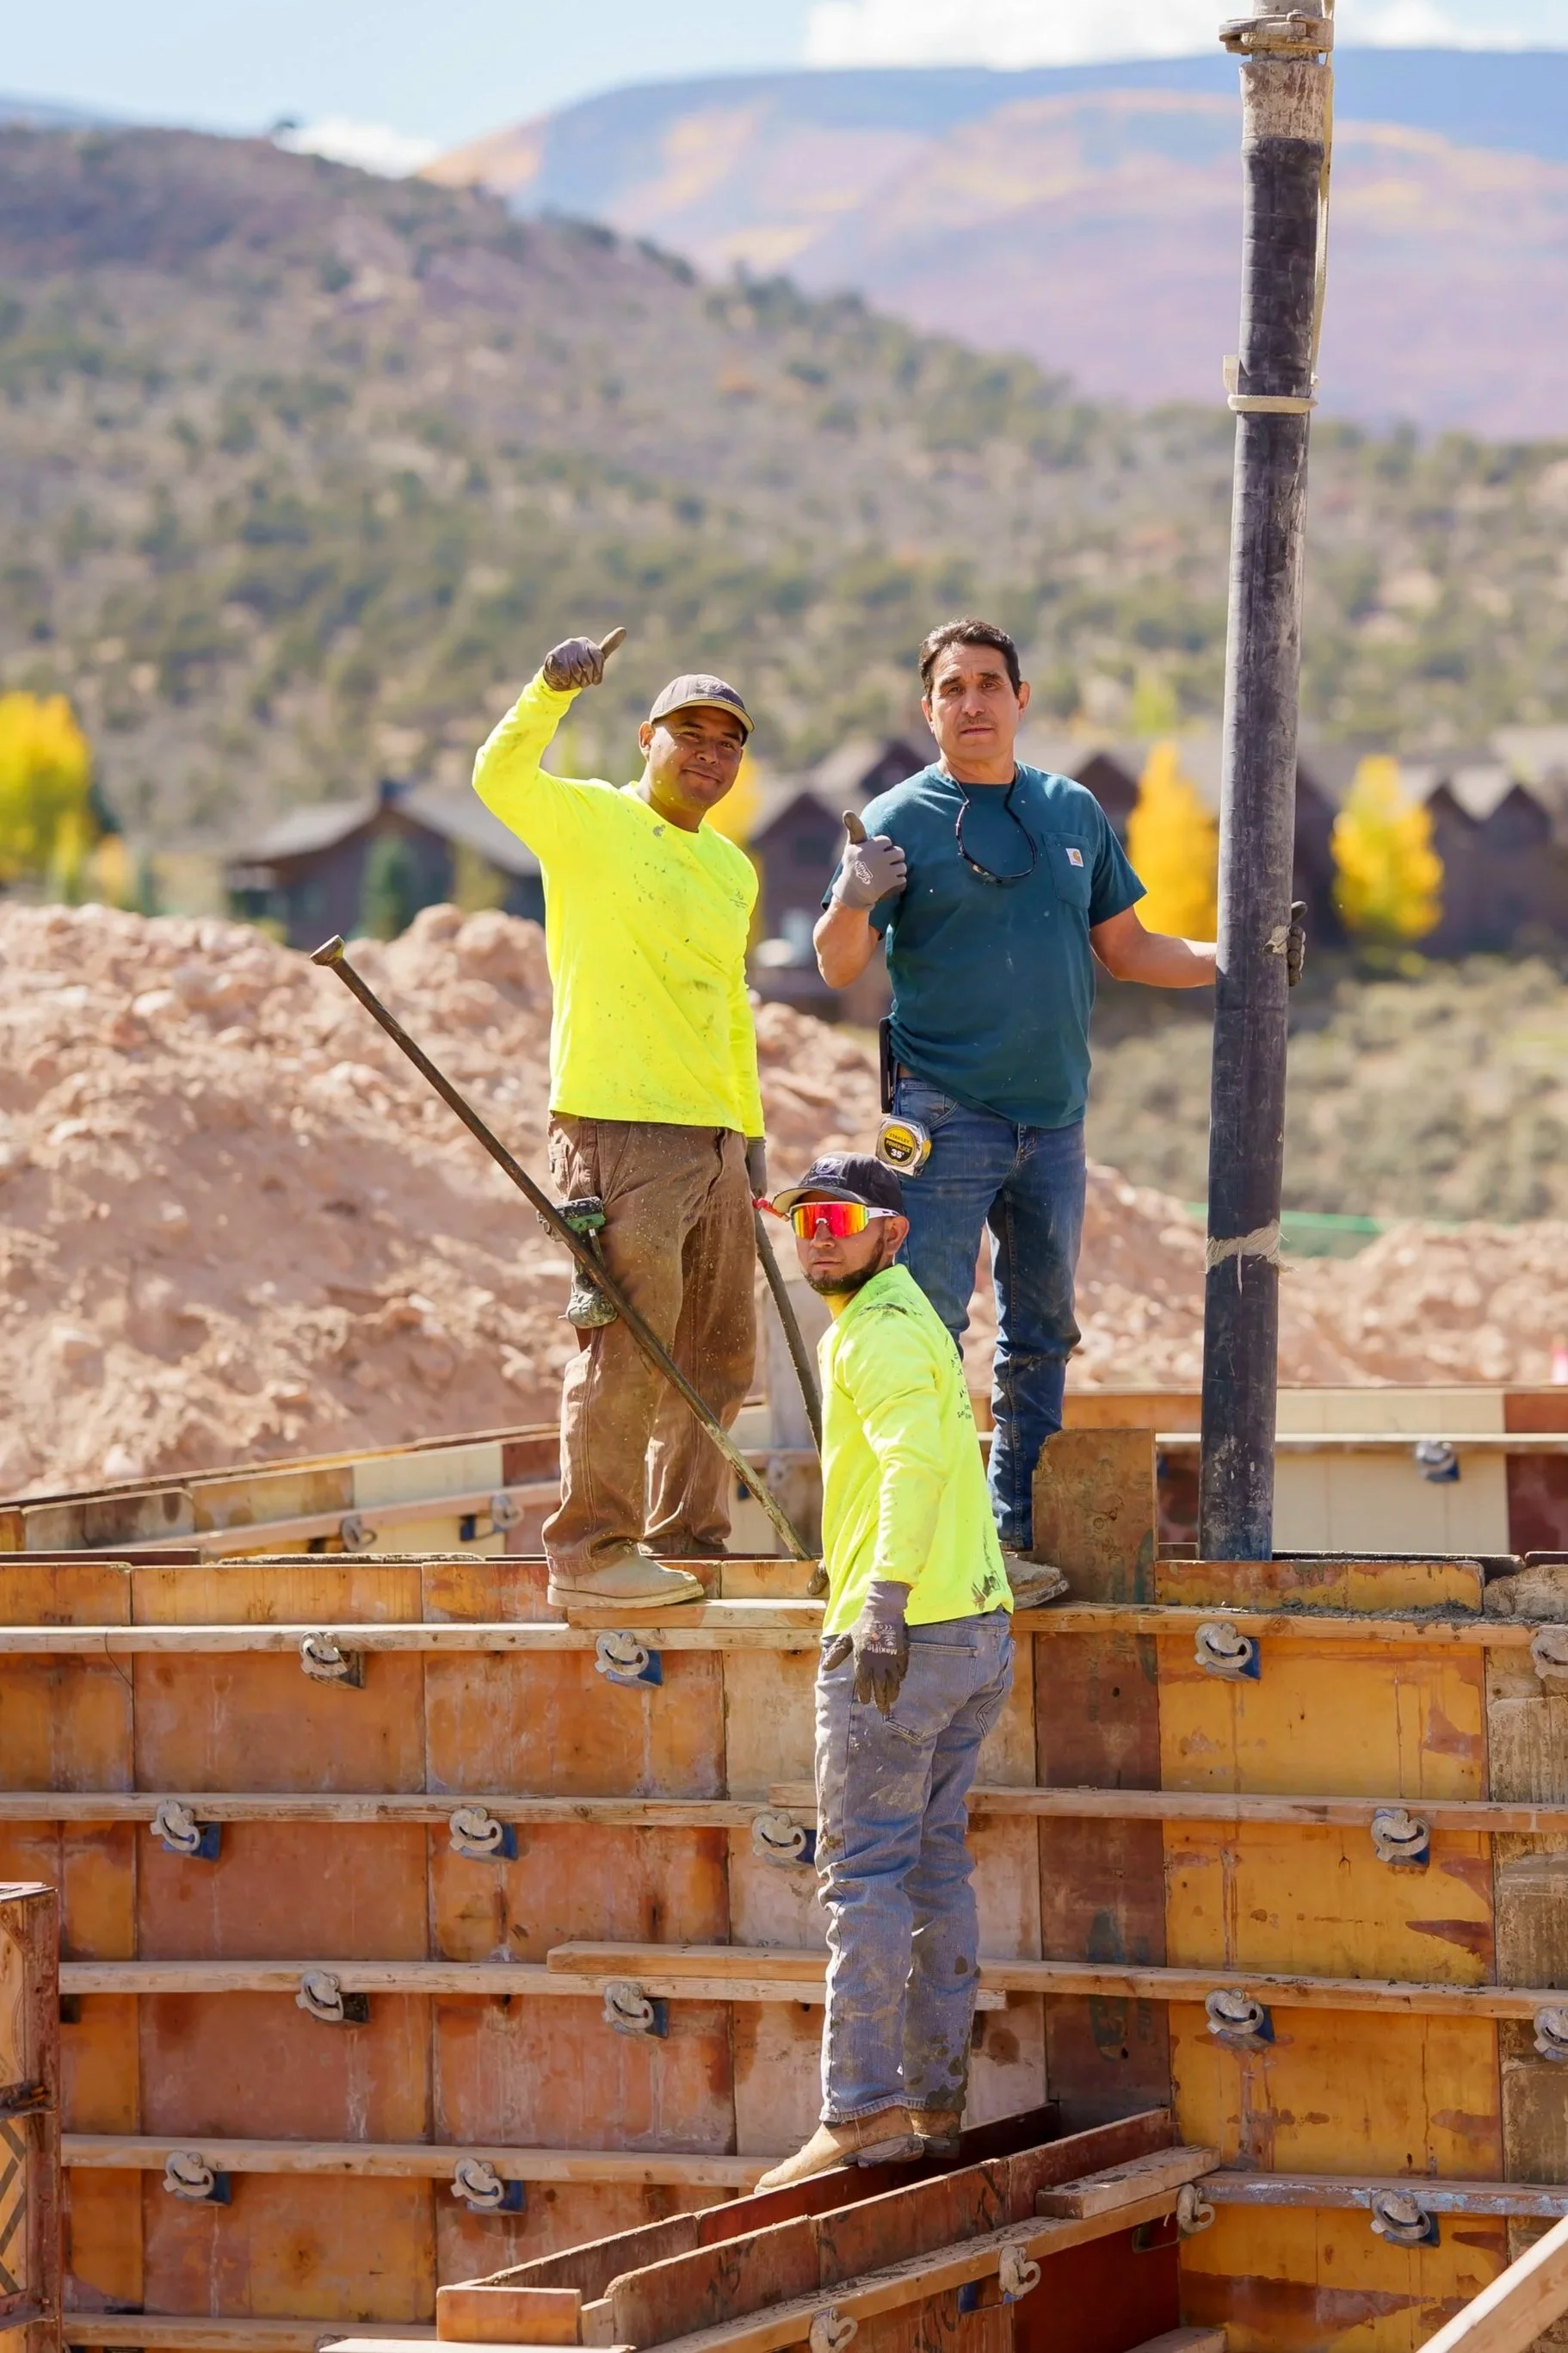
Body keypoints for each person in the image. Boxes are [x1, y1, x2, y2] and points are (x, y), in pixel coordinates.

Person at [814, 617, 1267, 1591]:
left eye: (988, 684)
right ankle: (923, 1548)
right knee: (926, 1329)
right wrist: (851, 898)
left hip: (1053, 1123)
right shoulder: (897, 817)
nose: (971, 702)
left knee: (1041, 1333)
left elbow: (1132, 949)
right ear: (925, 708)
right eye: (951, 688)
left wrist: (1243, 960)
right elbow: (835, 961)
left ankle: (1007, 1540)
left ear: (1022, 699)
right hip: (941, 1118)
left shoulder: (1071, 813)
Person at [473, 630, 768, 1610]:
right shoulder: (590, 821)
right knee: (627, 1345)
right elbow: (497, 777)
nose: (709, 755)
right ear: (646, 737)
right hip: (618, 1127)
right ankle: (593, 1551)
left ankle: (689, 1537)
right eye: (690, 733)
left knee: (721, 1354)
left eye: (727, 743)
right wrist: (550, 689)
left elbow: (727, 1005)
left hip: (713, 1136)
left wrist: (749, 1139)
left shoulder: (731, 870)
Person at [755, 1153, 1012, 2192]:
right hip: (975, 1628)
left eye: (839, 1220)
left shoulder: (876, 1333)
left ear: (889, 1234)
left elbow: (915, 1462)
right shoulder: (915, 1322)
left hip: (905, 1638)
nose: (818, 1235)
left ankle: (859, 2111)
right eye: (806, 1219)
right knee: (933, 1864)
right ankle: (935, 2104)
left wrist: (881, 1599)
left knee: (862, 1876)